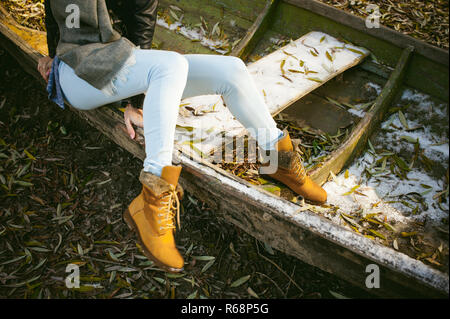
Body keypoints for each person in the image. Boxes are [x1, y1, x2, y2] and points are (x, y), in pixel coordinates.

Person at [38, 0, 327, 273]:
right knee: (170, 65)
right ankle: (152, 200)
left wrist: (135, 101)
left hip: (123, 61)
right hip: (77, 73)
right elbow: (58, 16)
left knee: (231, 70)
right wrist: (52, 57)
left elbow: (141, 25)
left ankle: (281, 160)